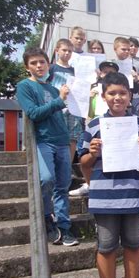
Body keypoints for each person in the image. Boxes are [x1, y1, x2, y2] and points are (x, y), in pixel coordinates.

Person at [80, 72, 139, 278]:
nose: (118, 97)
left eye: (122, 92)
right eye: (112, 93)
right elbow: (83, 162)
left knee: (133, 244)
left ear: (130, 95)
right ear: (104, 96)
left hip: (133, 193)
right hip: (105, 196)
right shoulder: (94, 125)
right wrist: (92, 152)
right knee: (106, 248)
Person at [16, 47, 78, 246]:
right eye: (33, 63)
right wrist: (59, 101)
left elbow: (59, 113)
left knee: (63, 184)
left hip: (62, 140)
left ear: (48, 64)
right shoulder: (25, 86)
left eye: (41, 62)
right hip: (43, 140)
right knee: (47, 179)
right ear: (27, 67)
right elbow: (34, 113)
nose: (38, 66)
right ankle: (45, 214)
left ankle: (64, 226)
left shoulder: (52, 89)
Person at [70, 61, 120, 197]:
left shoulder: (119, 89)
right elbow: (83, 108)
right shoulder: (92, 87)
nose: (107, 74)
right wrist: (89, 97)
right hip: (93, 123)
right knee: (85, 153)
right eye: (105, 71)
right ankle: (89, 184)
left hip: (113, 125)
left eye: (111, 72)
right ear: (100, 73)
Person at [48, 38, 84, 176]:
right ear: (57, 50)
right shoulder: (51, 68)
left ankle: (67, 168)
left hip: (73, 108)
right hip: (57, 107)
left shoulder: (76, 70)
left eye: (70, 51)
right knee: (58, 137)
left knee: (73, 138)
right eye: (64, 50)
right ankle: (57, 168)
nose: (67, 53)